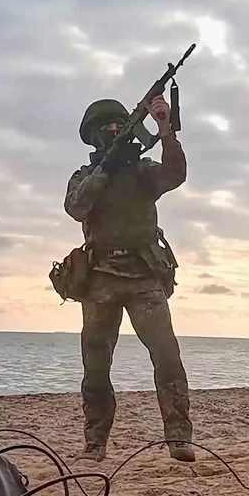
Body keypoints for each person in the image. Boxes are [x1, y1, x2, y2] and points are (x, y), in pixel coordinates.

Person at [63, 94, 194, 464]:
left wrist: (165, 128)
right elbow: (76, 207)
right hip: (100, 279)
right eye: (107, 128)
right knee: (96, 365)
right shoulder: (86, 176)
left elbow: (176, 173)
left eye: (120, 126)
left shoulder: (143, 172)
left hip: (144, 278)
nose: (114, 131)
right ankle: (95, 443)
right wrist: (105, 169)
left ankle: (179, 438)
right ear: (93, 137)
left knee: (167, 356)